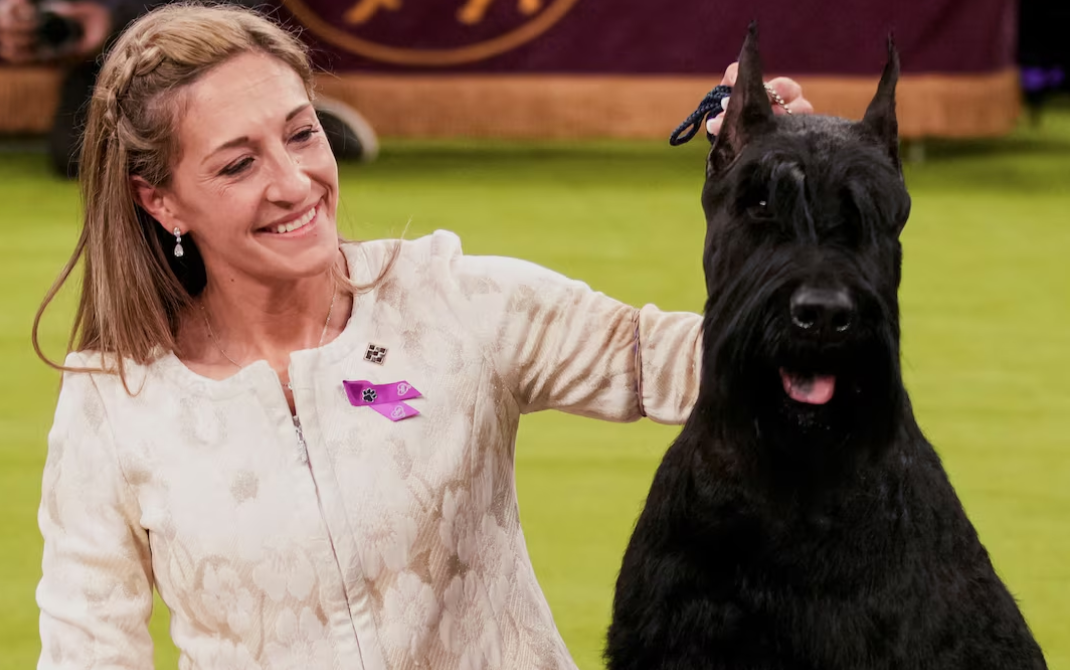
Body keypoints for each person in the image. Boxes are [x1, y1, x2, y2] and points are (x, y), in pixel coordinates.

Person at [32, 4, 811, 667]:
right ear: (160, 200)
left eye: (302, 135)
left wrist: (789, 205)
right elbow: (86, 648)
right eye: (239, 165)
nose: (295, 184)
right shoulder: (112, 399)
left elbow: (724, 371)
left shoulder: (449, 299)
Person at [0, 0, 376, 177]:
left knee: (204, 146)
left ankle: (291, 115)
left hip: (203, 37)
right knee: (76, 156)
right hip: (100, 59)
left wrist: (112, 18)